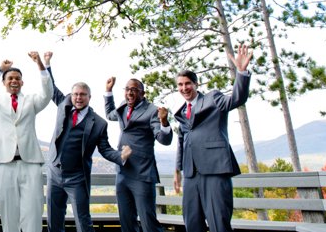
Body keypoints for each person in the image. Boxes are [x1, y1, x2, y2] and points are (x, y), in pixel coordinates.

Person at [42, 51, 131, 232]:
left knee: (83, 220)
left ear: (89, 97)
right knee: (54, 218)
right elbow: (50, 88)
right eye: (75, 94)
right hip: (55, 173)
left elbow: (105, 149)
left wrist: (120, 156)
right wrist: (47, 63)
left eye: (83, 94)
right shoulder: (63, 105)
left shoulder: (99, 123)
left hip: (77, 177)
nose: (78, 97)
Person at [173, 44, 253, 232]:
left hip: (215, 170)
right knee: (192, 223)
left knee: (219, 223)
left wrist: (241, 73)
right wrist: (178, 170)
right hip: (191, 174)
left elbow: (237, 99)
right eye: (180, 84)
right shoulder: (181, 112)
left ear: (196, 84)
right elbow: (182, 142)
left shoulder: (213, 98)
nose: (184, 88)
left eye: (188, 84)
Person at [0, 48, 53, 232]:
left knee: (33, 212)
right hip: (4, 163)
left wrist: (39, 64)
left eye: (17, 78)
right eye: (10, 78)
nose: (14, 81)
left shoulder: (32, 100)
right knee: (8, 214)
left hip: (30, 163)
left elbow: (48, 93)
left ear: (22, 82)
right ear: (3, 82)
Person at [104, 76, 172, 232]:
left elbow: (164, 139)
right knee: (127, 221)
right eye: (127, 89)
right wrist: (108, 91)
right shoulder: (123, 106)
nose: (129, 93)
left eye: (134, 90)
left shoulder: (151, 111)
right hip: (122, 172)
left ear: (143, 93)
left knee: (148, 222)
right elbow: (110, 115)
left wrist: (164, 123)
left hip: (142, 174)